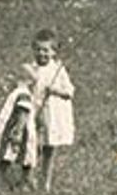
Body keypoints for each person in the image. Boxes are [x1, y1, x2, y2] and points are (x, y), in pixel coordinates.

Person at [25, 28, 75, 192]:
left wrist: (55, 90)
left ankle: (45, 182)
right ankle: (28, 179)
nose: (41, 53)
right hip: (36, 115)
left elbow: (70, 91)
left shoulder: (58, 70)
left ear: (53, 52)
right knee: (32, 148)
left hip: (53, 118)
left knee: (49, 150)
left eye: (46, 50)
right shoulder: (31, 69)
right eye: (38, 49)